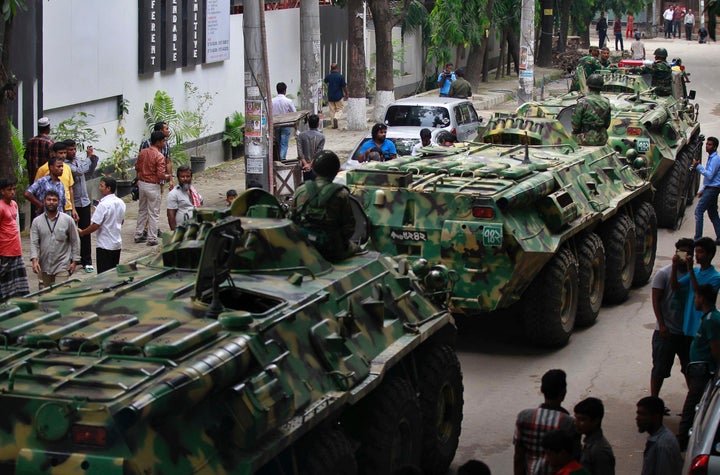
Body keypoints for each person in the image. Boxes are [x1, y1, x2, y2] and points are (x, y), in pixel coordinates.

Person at [290, 150, 357, 262]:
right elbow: (349, 227)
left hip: (304, 246)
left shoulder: (301, 190)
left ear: (314, 169)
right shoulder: (341, 194)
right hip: (332, 250)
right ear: (336, 171)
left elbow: (291, 219)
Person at [651, 238, 695, 400]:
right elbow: (656, 300)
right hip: (667, 331)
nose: (685, 256)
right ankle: (654, 400)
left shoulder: (694, 275)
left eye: (689, 253)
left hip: (686, 331)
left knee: (690, 368)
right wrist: (661, 325)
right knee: (660, 369)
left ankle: (693, 401)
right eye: (682, 252)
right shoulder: (663, 273)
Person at [678, 282, 720, 450]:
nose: (694, 300)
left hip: (703, 372)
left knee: (691, 405)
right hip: (699, 370)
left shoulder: (711, 320)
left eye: (696, 297)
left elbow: (716, 349)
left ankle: (682, 440)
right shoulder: (708, 318)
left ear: (702, 298)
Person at [513, 369, 576, 475]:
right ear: (563, 392)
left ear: (542, 390)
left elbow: (518, 457)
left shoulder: (524, 417)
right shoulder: (568, 423)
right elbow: (572, 460)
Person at [29, 190, 80, 290]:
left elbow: (75, 241)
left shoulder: (67, 220)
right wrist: (34, 261)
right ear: (44, 202)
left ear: (59, 202)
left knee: (60, 294)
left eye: (54, 200)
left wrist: (75, 261)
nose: (51, 202)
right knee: (47, 296)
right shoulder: (37, 222)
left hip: (62, 265)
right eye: (48, 200)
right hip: (44, 266)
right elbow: (34, 243)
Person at [78, 177, 126, 274]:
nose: (99, 188)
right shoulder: (121, 202)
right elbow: (121, 220)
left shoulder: (103, 205)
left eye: (101, 186)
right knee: (113, 272)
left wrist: (83, 232)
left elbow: (95, 225)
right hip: (116, 243)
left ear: (108, 188)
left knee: (104, 275)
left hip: (105, 244)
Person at [64, 139, 97, 273]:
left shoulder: (77, 160)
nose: (72, 152)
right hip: (74, 203)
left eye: (74, 149)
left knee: (85, 231)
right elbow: (80, 170)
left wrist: (89, 158)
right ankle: (72, 259)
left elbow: (86, 168)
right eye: (70, 150)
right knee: (71, 233)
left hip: (84, 201)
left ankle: (86, 260)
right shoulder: (66, 166)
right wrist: (88, 158)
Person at [134, 130, 171, 246]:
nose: (165, 143)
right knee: (154, 212)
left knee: (142, 210)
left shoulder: (143, 152)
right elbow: (160, 175)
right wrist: (168, 176)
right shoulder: (159, 156)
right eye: (164, 141)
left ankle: (138, 234)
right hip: (153, 185)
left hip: (142, 183)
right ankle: (152, 238)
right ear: (159, 142)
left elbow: (137, 167)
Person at [635, 396, 682, 475]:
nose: (637, 418)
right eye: (638, 414)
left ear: (655, 417)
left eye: (643, 414)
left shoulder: (663, 445)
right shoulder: (659, 439)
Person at [0, 178, 29, 302]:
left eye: (13, 189)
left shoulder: (14, 204)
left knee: (19, 282)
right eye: (9, 190)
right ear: (2, 191)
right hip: (4, 251)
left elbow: (15, 226)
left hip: (16, 249)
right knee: (5, 281)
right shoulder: (1, 207)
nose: (12, 192)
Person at [34, 142, 77, 220]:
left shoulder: (67, 167)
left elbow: (70, 189)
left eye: (65, 153)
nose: (63, 155)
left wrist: (73, 208)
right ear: (53, 153)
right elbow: (34, 190)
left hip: (66, 207)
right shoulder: (43, 169)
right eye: (60, 153)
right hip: (49, 208)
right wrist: (40, 205)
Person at [573, 397, 615, 475]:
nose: (576, 423)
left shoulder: (599, 450)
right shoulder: (590, 444)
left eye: (582, 419)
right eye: (576, 418)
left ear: (595, 421)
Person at [692, 137, 720, 242]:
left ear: (715, 147)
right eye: (707, 144)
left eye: (710, 145)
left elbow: (709, 175)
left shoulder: (716, 159)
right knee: (713, 213)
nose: (707, 146)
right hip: (711, 188)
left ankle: (698, 238)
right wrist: (703, 189)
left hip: (712, 189)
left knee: (698, 211)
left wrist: (698, 166)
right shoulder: (711, 158)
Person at [571, 74, 611, 146]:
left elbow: (575, 124)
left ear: (588, 87)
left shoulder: (582, 101)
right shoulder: (606, 102)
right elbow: (607, 124)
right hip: (602, 139)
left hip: (585, 139)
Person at [166, 165, 203, 231]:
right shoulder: (173, 194)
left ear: (191, 177)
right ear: (178, 178)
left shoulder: (193, 191)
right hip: (182, 230)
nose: (185, 179)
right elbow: (170, 216)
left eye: (188, 176)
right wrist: (175, 233)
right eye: (182, 177)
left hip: (196, 227)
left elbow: (201, 202)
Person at [140, 121, 174, 190]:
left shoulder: (166, 144)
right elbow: (140, 162)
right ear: (160, 131)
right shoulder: (146, 144)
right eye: (166, 129)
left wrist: (170, 179)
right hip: (147, 181)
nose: (168, 131)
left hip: (160, 180)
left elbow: (168, 162)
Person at [24, 117, 54, 187]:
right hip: (45, 179)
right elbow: (53, 161)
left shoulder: (30, 141)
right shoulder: (50, 143)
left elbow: (26, 157)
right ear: (48, 128)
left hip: (33, 179)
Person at [271, 82, 297, 161]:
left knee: (278, 143)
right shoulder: (288, 101)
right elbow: (294, 112)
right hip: (286, 124)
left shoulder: (272, 101)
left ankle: (278, 158)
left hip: (275, 124)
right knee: (284, 143)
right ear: (285, 91)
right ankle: (282, 158)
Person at [296, 114, 325, 181]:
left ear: (308, 123)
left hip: (304, 166)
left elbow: (299, 151)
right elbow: (318, 153)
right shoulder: (321, 137)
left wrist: (306, 164)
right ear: (318, 124)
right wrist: (310, 164)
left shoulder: (301, 135)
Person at [324, 63, 348, 129]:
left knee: (332, 111)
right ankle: (336, 117)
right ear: (337, 68)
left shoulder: (328, 76)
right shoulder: (340, 77)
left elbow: (325, 81)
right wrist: (346, 94)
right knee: (340, 109)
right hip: (338, 96)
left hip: (330, 96)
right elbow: (344, 86)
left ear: (331, 69)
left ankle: (333, 125)